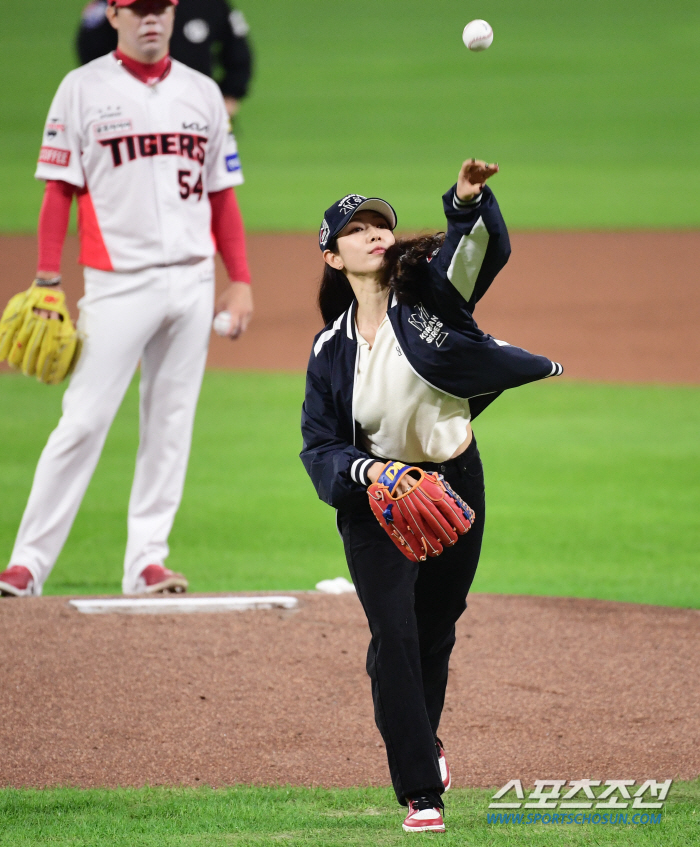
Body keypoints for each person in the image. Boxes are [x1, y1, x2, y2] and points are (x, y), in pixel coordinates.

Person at [300, 159, 563, 832]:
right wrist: (374, 475)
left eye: (379, 224)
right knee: (394, 628)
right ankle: (422, 791)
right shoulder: (329, 351)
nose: (372, 235)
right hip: (376, 499)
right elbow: (321, 447)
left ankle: (417, 727)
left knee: (434, 628)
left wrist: (467, 202)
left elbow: (481, 252)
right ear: (334, 256)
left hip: (452, 480)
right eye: (354, 230)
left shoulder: (430, 302)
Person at [0, 0, 252, 598]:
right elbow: (58, 190)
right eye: (137, 9)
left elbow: (222, 195)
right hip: (118, 284)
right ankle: (27, 564)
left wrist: (238, 279)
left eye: (160, 9)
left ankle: (147, 562)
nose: (151, 19)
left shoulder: (202, 93)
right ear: (113, 15)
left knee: (170, 423)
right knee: (83, 421)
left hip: (192, 284)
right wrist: (45, 278)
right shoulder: (81, 89)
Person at [76, 0, 253, 117]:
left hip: (194, 108)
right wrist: (117, 80)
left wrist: (230, 95)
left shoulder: (211, 4)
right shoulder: (122, 3)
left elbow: (238, 51)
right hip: (129, 108)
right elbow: (91, 48)